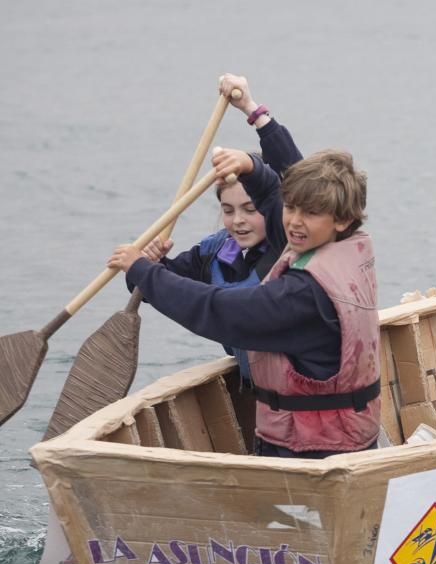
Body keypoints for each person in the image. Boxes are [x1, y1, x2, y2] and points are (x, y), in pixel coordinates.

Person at [108, 148, 380, 458]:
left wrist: (145, 272)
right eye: (290, 208)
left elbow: (223, 312)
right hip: (343, 434)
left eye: (311, 213)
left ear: (343, 219)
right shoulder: (349, 250)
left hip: (316, 449)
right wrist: (250, 167)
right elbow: (269, 195)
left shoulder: (303, 293)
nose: (294, 222)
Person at [133, 73, 304, 383]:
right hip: (262, 395)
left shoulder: (289, 244)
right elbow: (154, 289)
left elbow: (298, 177)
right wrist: (147, 265)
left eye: (250, 210)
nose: (238, 220)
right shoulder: (213, 252)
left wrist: (252, 110)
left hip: (300, 388)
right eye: (228, 210)